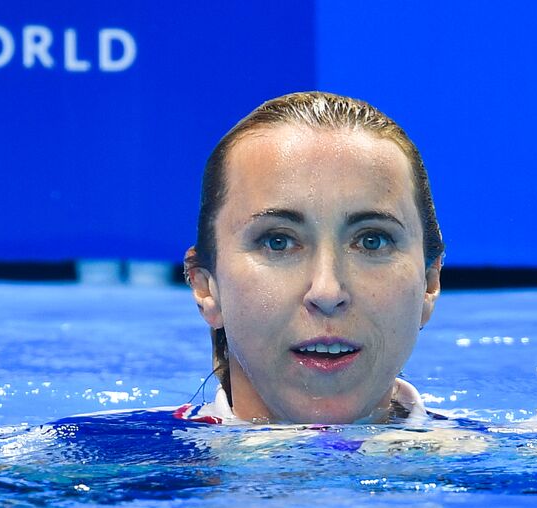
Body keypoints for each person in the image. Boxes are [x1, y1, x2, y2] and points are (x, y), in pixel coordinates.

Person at [178, 91, 444, 427]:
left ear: (429, 283)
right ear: (205, 287)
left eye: (372, 241)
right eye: (278, 242)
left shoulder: (509, 467)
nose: (327, 293)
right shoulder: (118, 469)